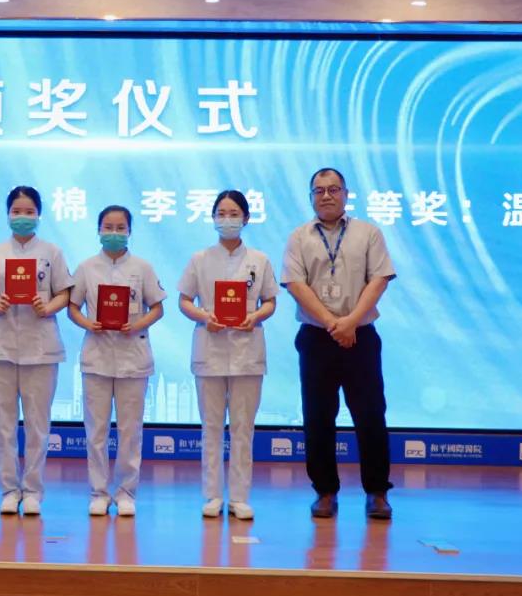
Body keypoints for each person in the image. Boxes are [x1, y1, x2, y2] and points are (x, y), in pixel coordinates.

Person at [280, 168, 396, 520]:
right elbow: (295, 285)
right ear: (311, 197)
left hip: (360, 336)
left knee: (370, 414)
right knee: (317, 417)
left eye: (333, 189)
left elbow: (379, 279)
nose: (326, 196)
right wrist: (333, 324)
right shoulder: (299, 237)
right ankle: (325, 491)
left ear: (346, 194)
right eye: (319, 191)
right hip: (317, 337)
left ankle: (377, 492)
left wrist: (351, 322)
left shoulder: (368, 233)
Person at [178, 190, 277, 520]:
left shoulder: (259, 260)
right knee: (211, 427)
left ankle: (239, 497)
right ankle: (212, 495)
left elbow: (270, 301)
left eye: (234, 214)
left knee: (243, 428)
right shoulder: (200, 259)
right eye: (221, 213)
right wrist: (204, 316)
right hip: (211, 349)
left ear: (246, 218)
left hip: (247, 352)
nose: (227, 219)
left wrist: (255, 316)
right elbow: (184, 300)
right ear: (213, 218)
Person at [0, 186, 74, 516]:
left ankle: (32, 491)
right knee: (2, 424)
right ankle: (8, 489)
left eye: (29, 211)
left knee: (37, 424)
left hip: (41, 346)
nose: (22, 217)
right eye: (16, 211)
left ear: (39, 215)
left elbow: (64, 293)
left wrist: (48, 307)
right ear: (7, 214)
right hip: (0, 346)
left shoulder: (52, 253)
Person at [68, 205, 166, 517]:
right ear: (98, 230)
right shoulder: (86, 268)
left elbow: (158, 308)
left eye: (120, 228)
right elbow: (73, 307)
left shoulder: (142, 268)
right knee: (96, 431)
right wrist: (88, 324)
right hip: (96, 357)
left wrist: (138, 324)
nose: (114, 233)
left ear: (129, 232)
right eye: (108, 227)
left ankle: (126, 492)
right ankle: (98, 492)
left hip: (133, 357)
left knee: (130, 431)